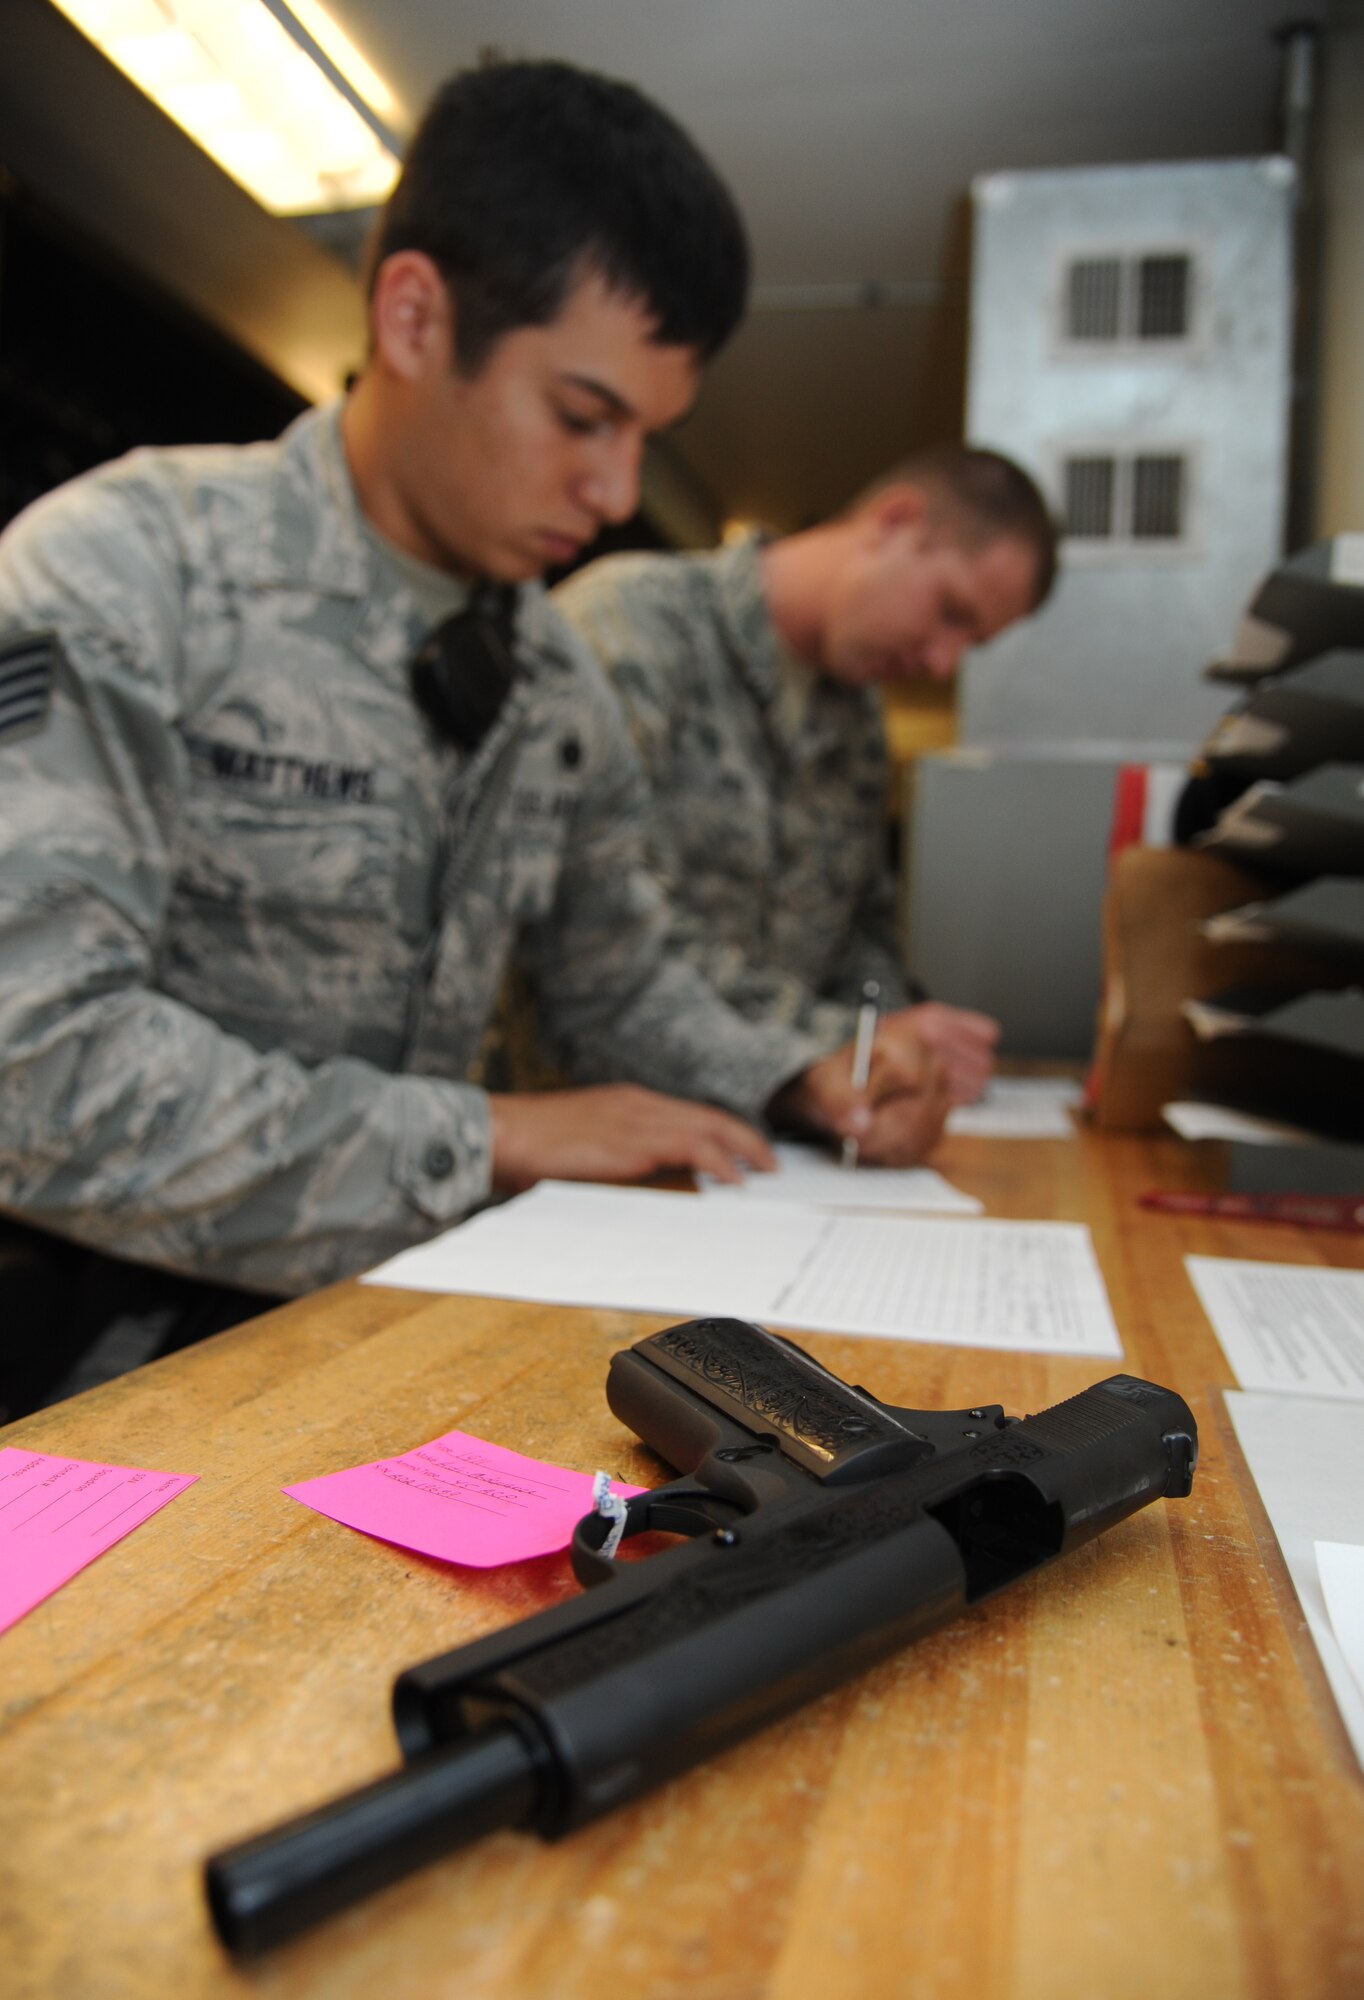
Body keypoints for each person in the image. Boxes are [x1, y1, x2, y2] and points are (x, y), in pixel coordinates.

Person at [0, 59, 945, 1399]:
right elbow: (30, 1068)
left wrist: (800, 1075)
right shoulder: (126, 574)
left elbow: (618, 979)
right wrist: (486, 1136)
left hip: (411, 1331)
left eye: (646, 434)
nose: (615, 491)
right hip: (119, 1366)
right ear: (414, 317)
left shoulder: (550, 669)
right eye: (581, 416)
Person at [555, 448, 1058, 1104]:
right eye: (951, 612)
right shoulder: (633, 627)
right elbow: (605, 939)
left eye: (970, 643)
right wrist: (843, 1043)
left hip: (772, 1147)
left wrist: (899, 1046)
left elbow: (861, 935)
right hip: (598, 1134)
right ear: (896, 522)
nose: (942, 662)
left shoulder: (855, 716)